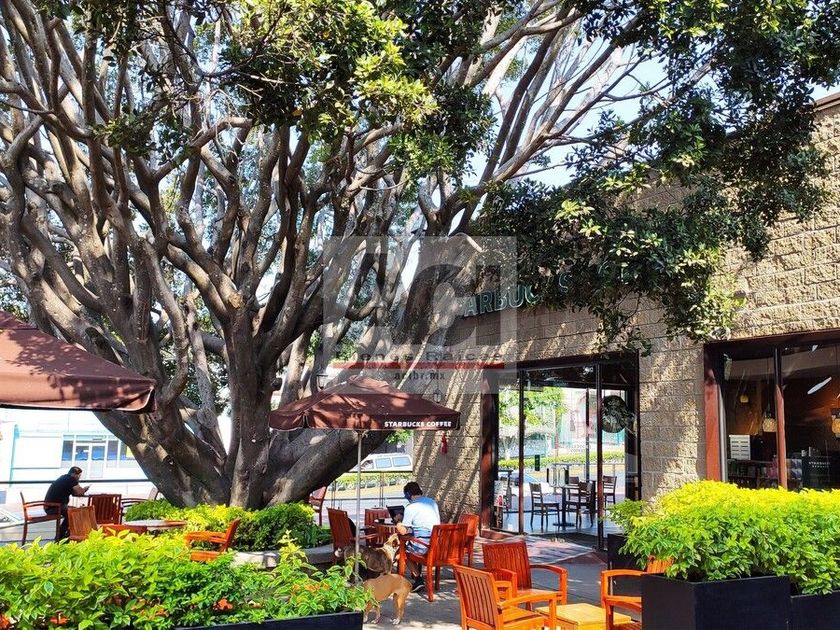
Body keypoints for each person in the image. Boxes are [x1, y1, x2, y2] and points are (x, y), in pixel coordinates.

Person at [395, 481, 440, 592]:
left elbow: (403, 531)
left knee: (403, 551)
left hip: (425, 547)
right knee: (412, 544)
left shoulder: (411, 507)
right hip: (438, 546)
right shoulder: (432, 502)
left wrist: (398, 521)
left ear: (408, 494)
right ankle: (417, 575)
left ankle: (418, 579)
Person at [44, 466, 90, 539]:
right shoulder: (71, 479)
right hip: (55, 507)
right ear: (74, 474)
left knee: (75, 511)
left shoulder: (64, 478)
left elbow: (75, 493)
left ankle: (65, 535)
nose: (79, 477)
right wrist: (85, 489)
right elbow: (80, 492)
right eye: (78, 475)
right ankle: (61, 537)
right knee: (75, 513)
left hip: (50, 506)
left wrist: (81, 490)